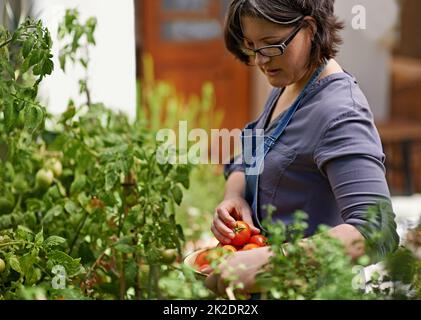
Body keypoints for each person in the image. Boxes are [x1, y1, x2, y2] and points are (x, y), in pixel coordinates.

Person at [205, 0, 399, 296]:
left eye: (271, 44)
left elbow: (377, 231)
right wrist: (234, 198)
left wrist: (273, 263)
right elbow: (249, 158)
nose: (260, 60)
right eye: (251, 45)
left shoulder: (339, 112)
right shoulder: (287, 85)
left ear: (309, 29)